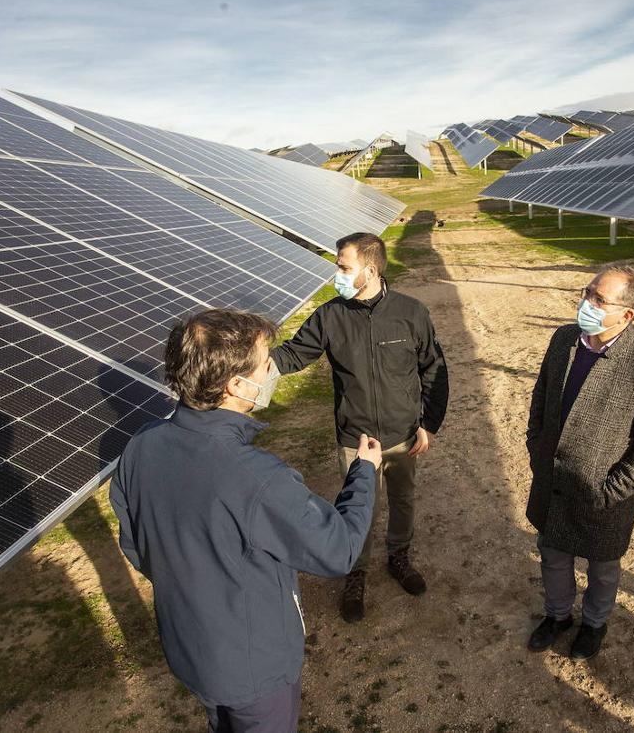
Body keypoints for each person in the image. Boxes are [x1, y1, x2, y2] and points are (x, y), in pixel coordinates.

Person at [109, 309, 382, 732]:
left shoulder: (141, 447)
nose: (272, 369)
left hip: (191, 651)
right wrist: (363, 472)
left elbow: (138, 546)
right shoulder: (257, 478)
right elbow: (339, 549)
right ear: (236, 385)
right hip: (256, 670)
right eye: (265, 362)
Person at [270, 232, 449, 622]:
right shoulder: (330, 315)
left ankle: (398, 556)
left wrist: (429, 424)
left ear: (370, 270)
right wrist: (248, 366)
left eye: (343, 267)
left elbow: (433, 368)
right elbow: (294, 355)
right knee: (357, 505)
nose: (336, 274)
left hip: (403, 434)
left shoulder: (411, 312)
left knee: (403, 499)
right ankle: (357, 571)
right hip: (355, 436)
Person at [524, 263, 634, 660]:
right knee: (553, 556)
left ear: (626, 315)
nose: (585, 303)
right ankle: (557, 616)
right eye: (587, 292)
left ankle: (594, 623)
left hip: (602, 494)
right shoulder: (564, 340)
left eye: (598, 299)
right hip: (553, 480)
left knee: (603, 568)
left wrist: (609, 492)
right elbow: (542, 397)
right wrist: (536, 448)